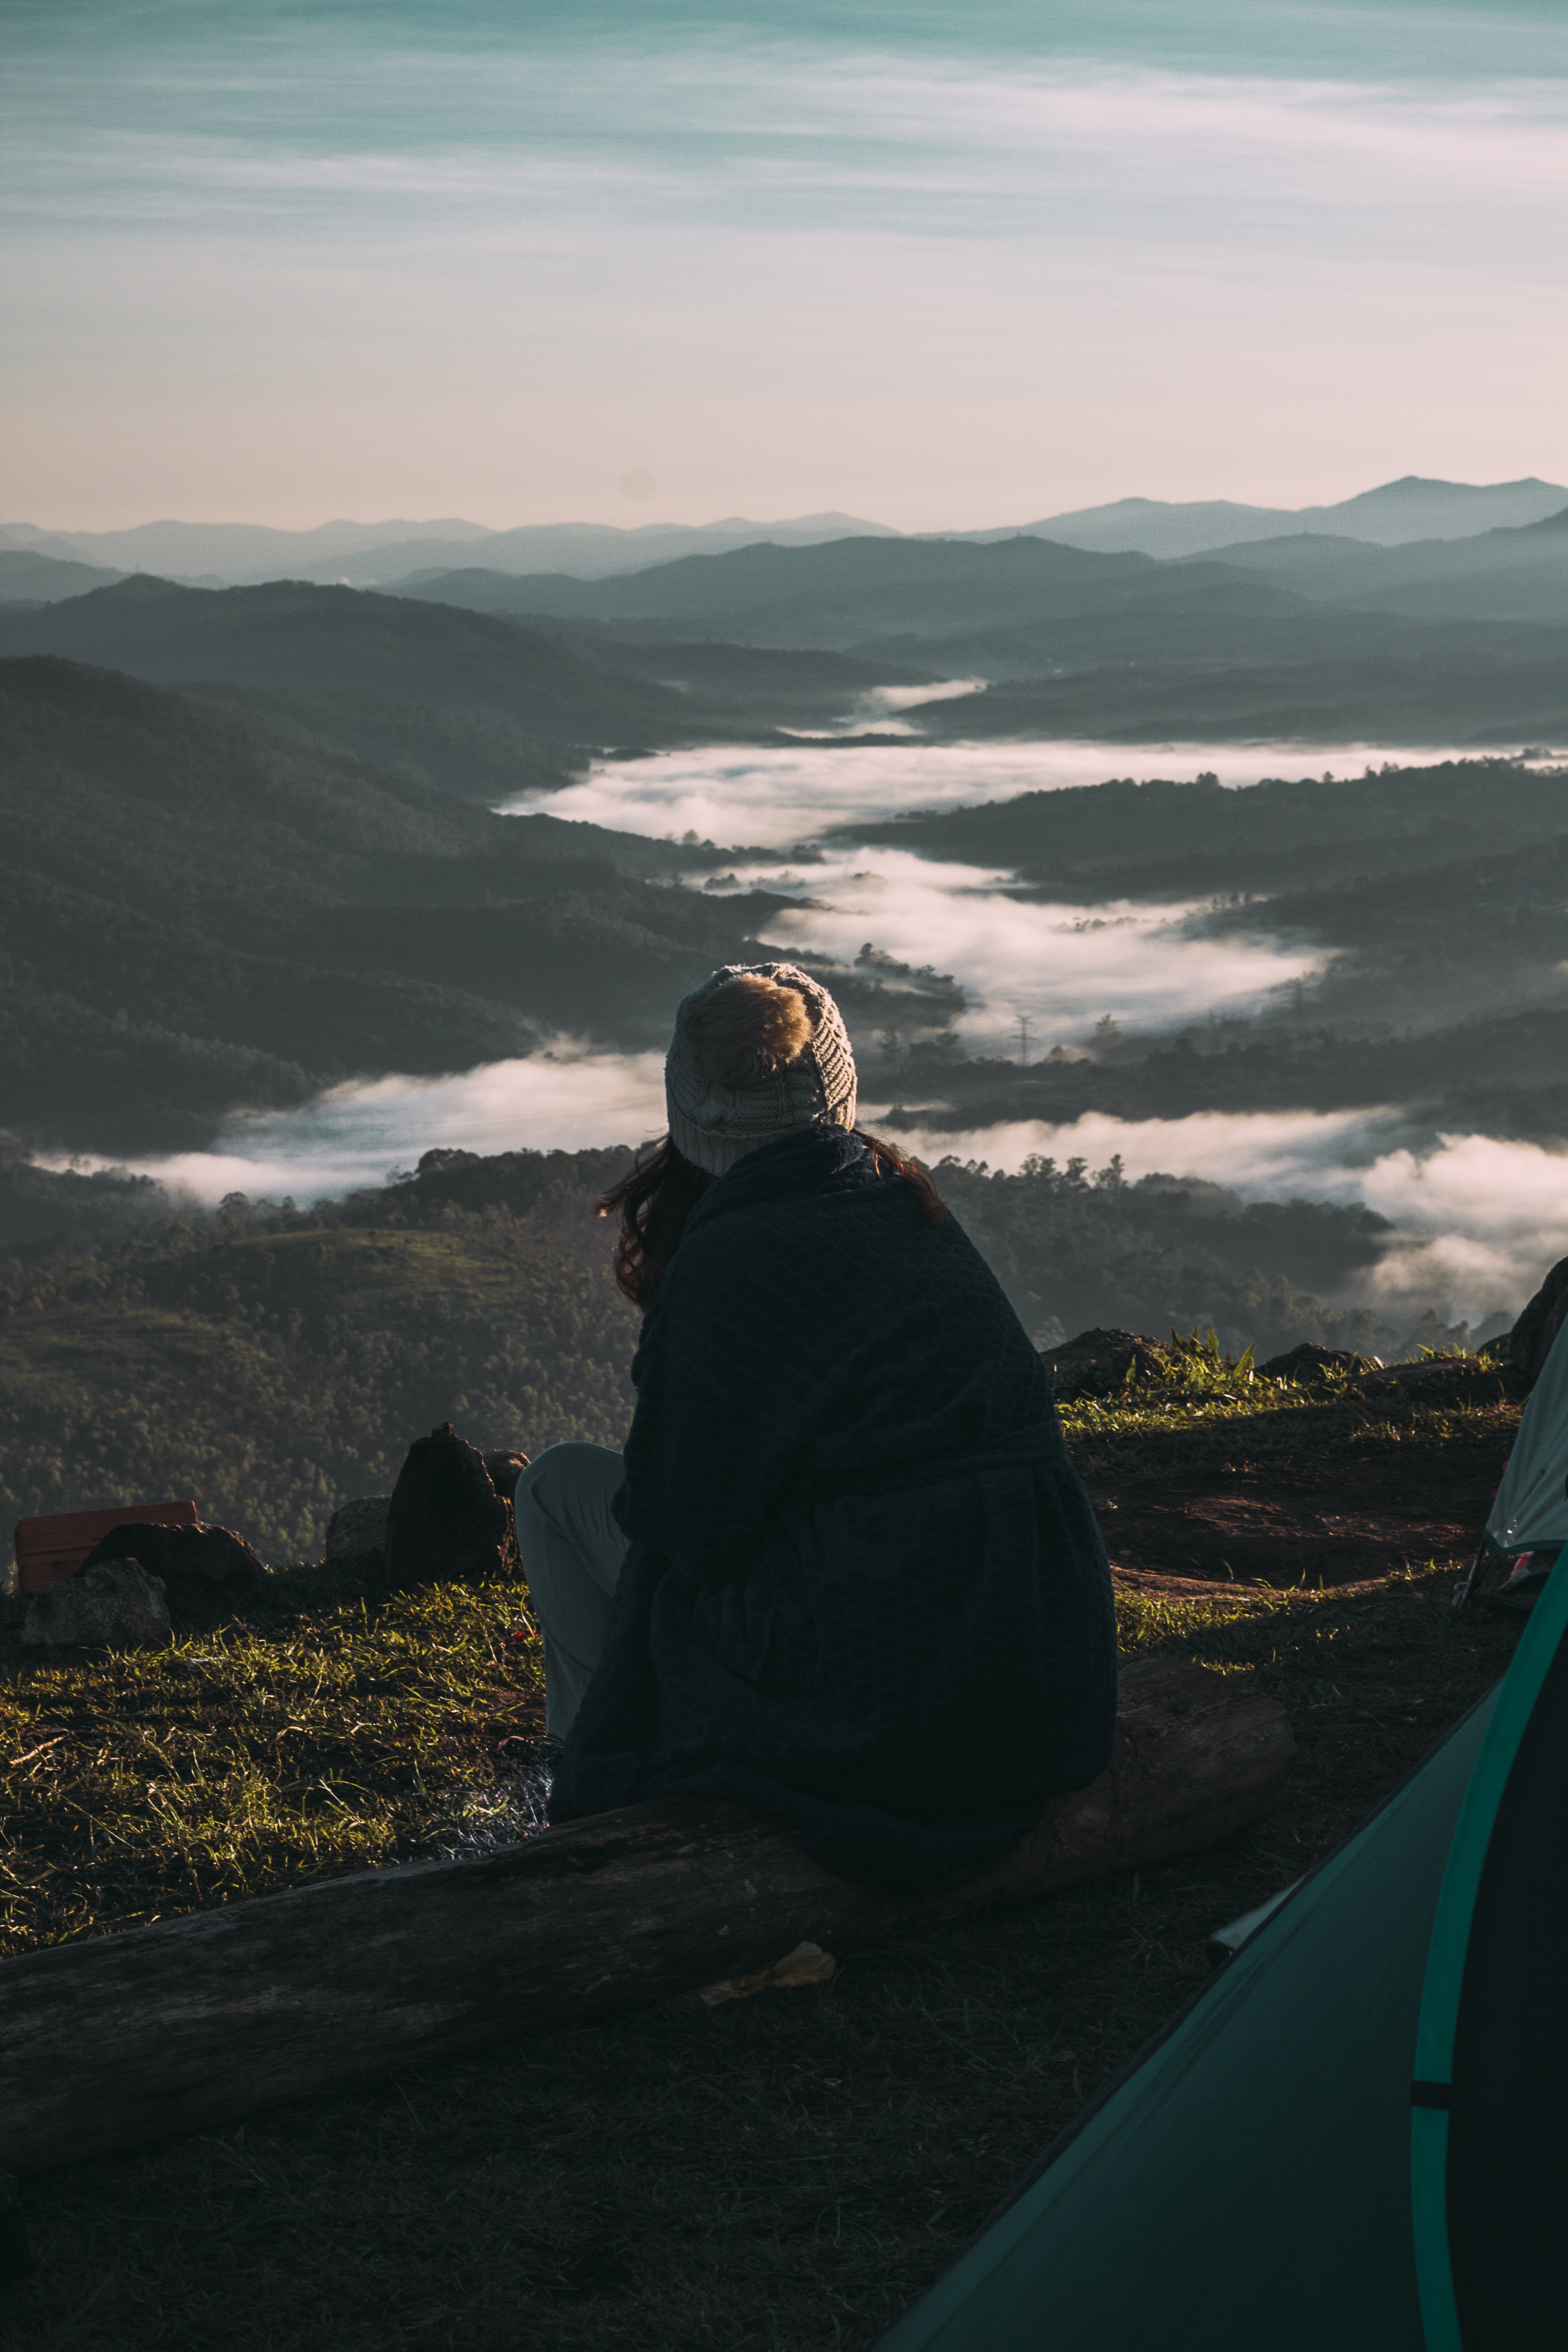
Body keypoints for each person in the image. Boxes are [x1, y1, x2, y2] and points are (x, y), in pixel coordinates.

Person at [514, 961, 1116, 1891]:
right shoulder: (907, 1206)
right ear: (836, 1089)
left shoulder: (733, 1260)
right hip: (1035, 1666)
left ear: (693, 1113)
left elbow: (687, 1529)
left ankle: (600, 1788)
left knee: (557, 1487)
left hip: (877, 1697)